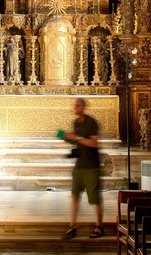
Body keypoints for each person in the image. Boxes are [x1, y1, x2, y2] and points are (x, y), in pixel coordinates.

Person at [62, 97, 104, 239]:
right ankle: (72, 226)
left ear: (83, 107)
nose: (75, 107)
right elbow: (79, 141)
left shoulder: (91, 122)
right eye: (75, 105)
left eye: (78, 105)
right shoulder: (76, 122)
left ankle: (99, 226)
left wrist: (77, 138)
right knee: (75, 196)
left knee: (94, 198)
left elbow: (94, 143)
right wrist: (70, 139)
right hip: (79, 165)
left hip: (91, 166)